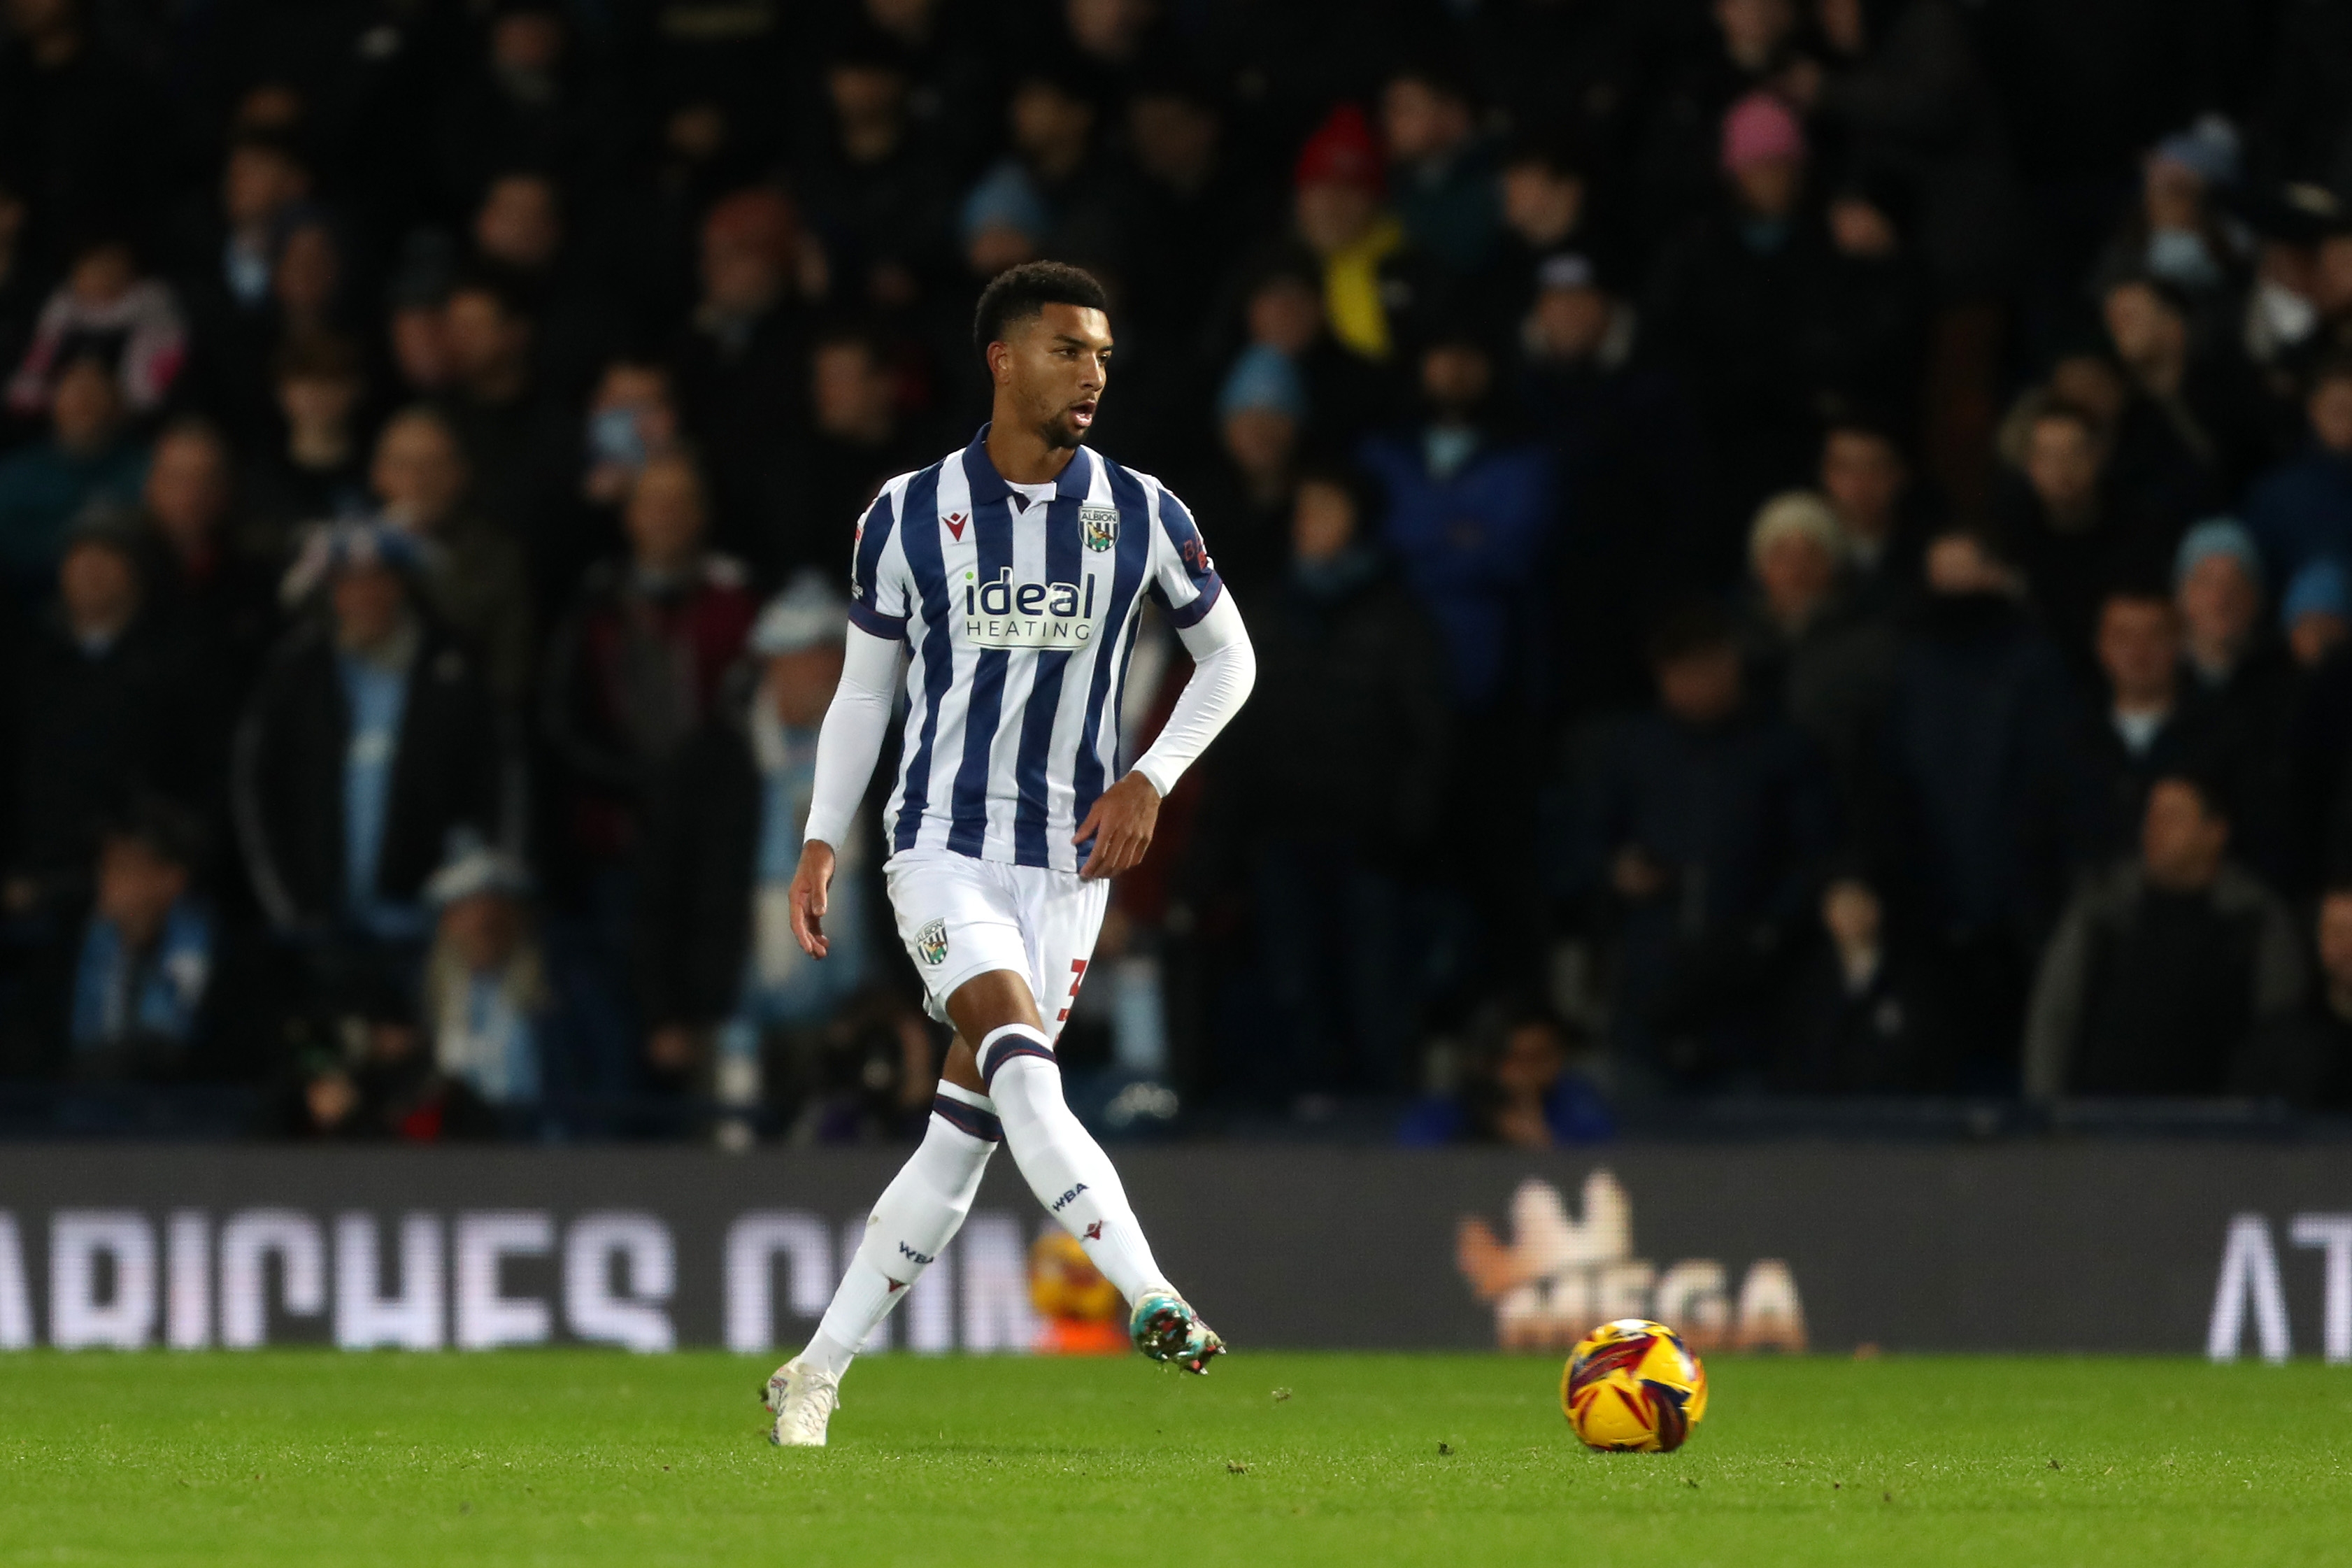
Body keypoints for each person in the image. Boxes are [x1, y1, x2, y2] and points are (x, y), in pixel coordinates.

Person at [766, 262, 1256, 1444]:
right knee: (1023, 1065)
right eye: (1066, 349)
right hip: (937, 844)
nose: (1092, 373)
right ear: (1000, 358)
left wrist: (1149, 775)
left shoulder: (1143, 510)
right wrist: (820, 838)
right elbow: (862, 694)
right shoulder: (903, 510)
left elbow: (1230, 662)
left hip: (1066, 867)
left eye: (1100, 353)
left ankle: (814, 1370)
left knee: (962, 1135)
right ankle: (1150, 1291)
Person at [2024, 773, 2304, 1099]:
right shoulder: (2103, 911)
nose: (2154, 829)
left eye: (2172, 817)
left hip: (2225, 1133)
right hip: (2102, 1127)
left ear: (2215, 832)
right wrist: (2047, 1113)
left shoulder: (2256, 920)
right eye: (2151, 816)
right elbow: (2055, 1018)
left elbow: (2282, 1036)